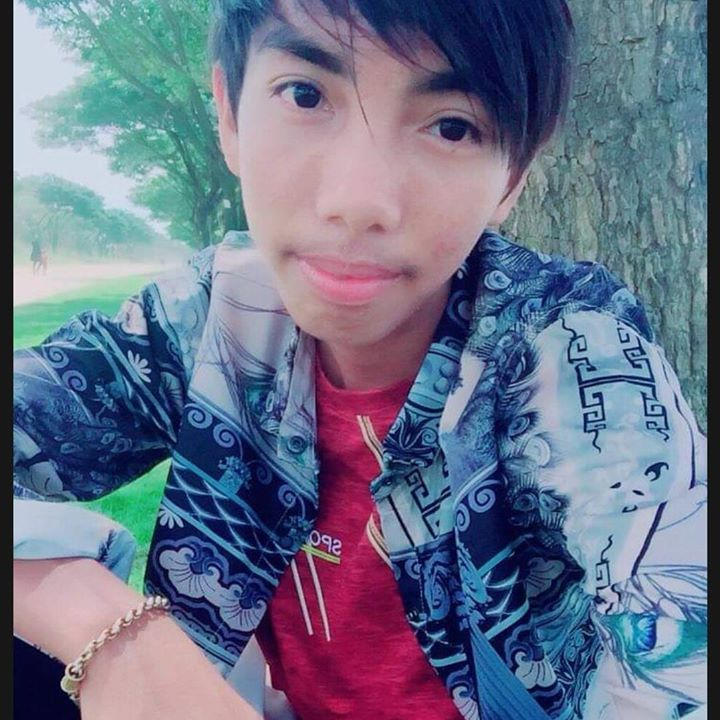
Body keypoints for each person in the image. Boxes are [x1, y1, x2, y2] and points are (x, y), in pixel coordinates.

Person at [13, 1, 707, 719]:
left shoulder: (569, 350)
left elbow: (686, 633)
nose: (358, 202)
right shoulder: (208, 319)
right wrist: (107, 629)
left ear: (512, 178)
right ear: (229, 114)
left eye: (452, 126)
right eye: (305, 95)